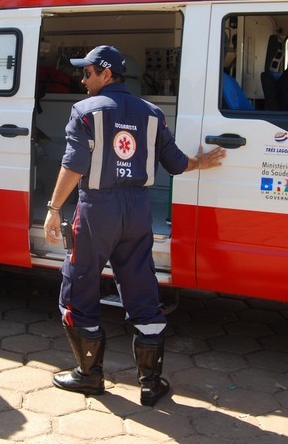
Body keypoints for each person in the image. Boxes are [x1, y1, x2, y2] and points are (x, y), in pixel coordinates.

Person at [42, 45, 226, 406]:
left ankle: (89, 376)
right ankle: (151, 383)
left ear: (106, 74)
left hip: (98, 209)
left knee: (79, 283)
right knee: (141, 286)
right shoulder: (153, 114)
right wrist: (201, 163)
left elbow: (74, 165)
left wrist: (53, 208)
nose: (83, 79)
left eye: (88, 72)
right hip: (138, 210)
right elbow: (175, 163)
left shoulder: (84, 111)